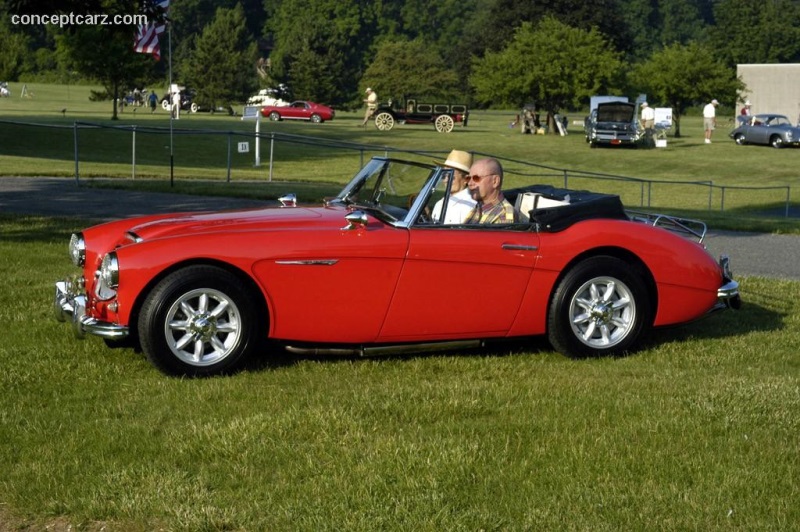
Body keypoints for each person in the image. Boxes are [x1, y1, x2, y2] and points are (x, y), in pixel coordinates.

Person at [463, 158, 519, 224]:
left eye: (476, 178)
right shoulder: (478, 208)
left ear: (495, 181)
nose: (470, 183)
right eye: (468, 178)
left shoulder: (504, 215)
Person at [431, 150, 476, 224]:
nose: (445, 180)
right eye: (444, 175)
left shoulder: (470, 205)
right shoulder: (439, 203)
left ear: (466, 179)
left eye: (451, 177)